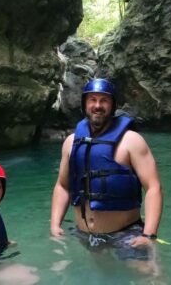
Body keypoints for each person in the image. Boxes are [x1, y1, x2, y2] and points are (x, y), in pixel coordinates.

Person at [50, 78, 163, 262]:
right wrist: (55, 225)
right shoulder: (71, 143)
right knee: (102, 284)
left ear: (112, 105)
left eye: (104, 100)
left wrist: (149, 235)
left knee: (150, 280)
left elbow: (153, 188)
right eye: (92, 100)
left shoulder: (131, 141)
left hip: (126, 234)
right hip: (85, 235)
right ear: (84, 104)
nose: (98, 106)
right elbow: (62, 186)